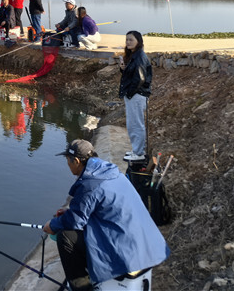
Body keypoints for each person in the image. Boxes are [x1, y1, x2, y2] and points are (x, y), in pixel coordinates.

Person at [43, 139, 169, 291]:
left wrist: (52, 225)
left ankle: (81, 287)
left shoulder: (89, 183)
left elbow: (73, 221)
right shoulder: (109, 171)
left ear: (76, 161)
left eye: (68, 161)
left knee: (66, 238)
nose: (68, 165)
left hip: (127, 251)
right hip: (147, 243)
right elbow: (95, 206)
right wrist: (69, 212)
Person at [117, 31, 152, 161]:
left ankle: (139, 153)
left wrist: (130, 93)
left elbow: (140, 79)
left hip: (137, 94)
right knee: (132, 124)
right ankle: (136, 150)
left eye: (131, 40)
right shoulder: (133, 55)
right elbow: (132, 74)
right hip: (133, 94)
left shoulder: (140, 57)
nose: (128, 42)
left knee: (136, 124)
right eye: (126, 40)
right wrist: (123, 68)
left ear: (138, 41)